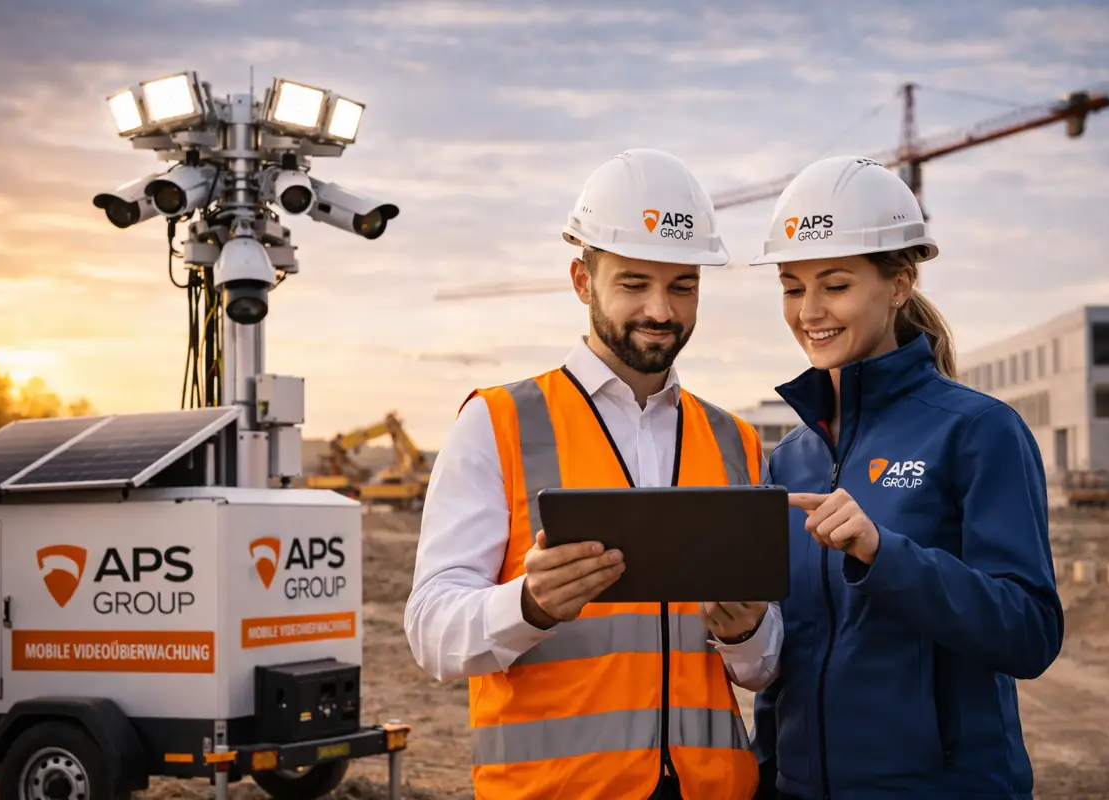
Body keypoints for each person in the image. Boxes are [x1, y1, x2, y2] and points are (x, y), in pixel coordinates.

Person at [404, 148, 783, 800]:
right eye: (634, 283)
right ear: (583, 280)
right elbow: (432, 633)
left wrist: (746, 631)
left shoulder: (734, 440)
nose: (661, 310)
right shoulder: (497, 423)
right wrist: (527, 604)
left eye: (682, 286)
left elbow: (763, 664)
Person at [745, 154, 1065, 800]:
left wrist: (883, 554)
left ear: (900, 284)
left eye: (834, 285)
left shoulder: (978, 432)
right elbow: (788, 662)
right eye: (791, 286)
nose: (809, 311)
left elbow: (1030, 631)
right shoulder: (790, 461)